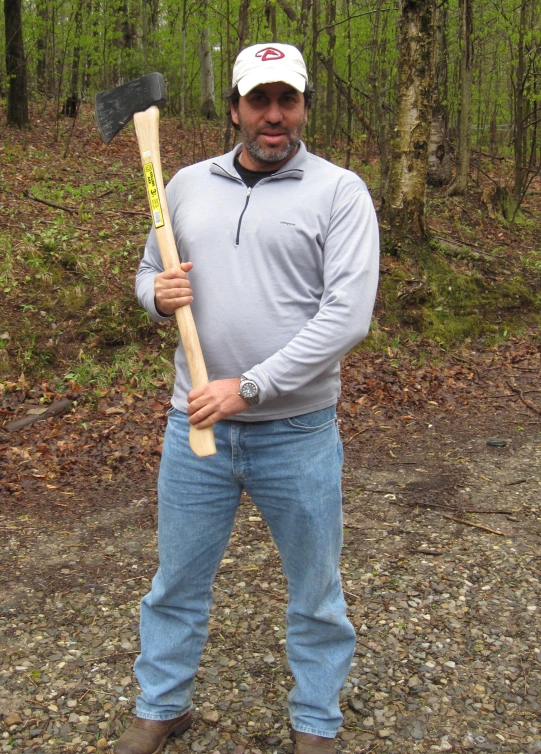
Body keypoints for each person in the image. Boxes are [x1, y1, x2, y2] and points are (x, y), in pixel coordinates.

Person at [114, 42, 379, 754]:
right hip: (193, 427)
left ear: (301, 108)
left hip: (295, 432)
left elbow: (345, 317)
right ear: (233, 107)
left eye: (284, 100)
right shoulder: (185, 184)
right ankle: (161, 705)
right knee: (174, 582)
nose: (272, 115)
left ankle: (315, 721)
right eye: (257, 100)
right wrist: (155, 296)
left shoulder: (339, 192)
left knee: (316, 593)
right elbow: (148, 270)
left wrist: (250, 387)